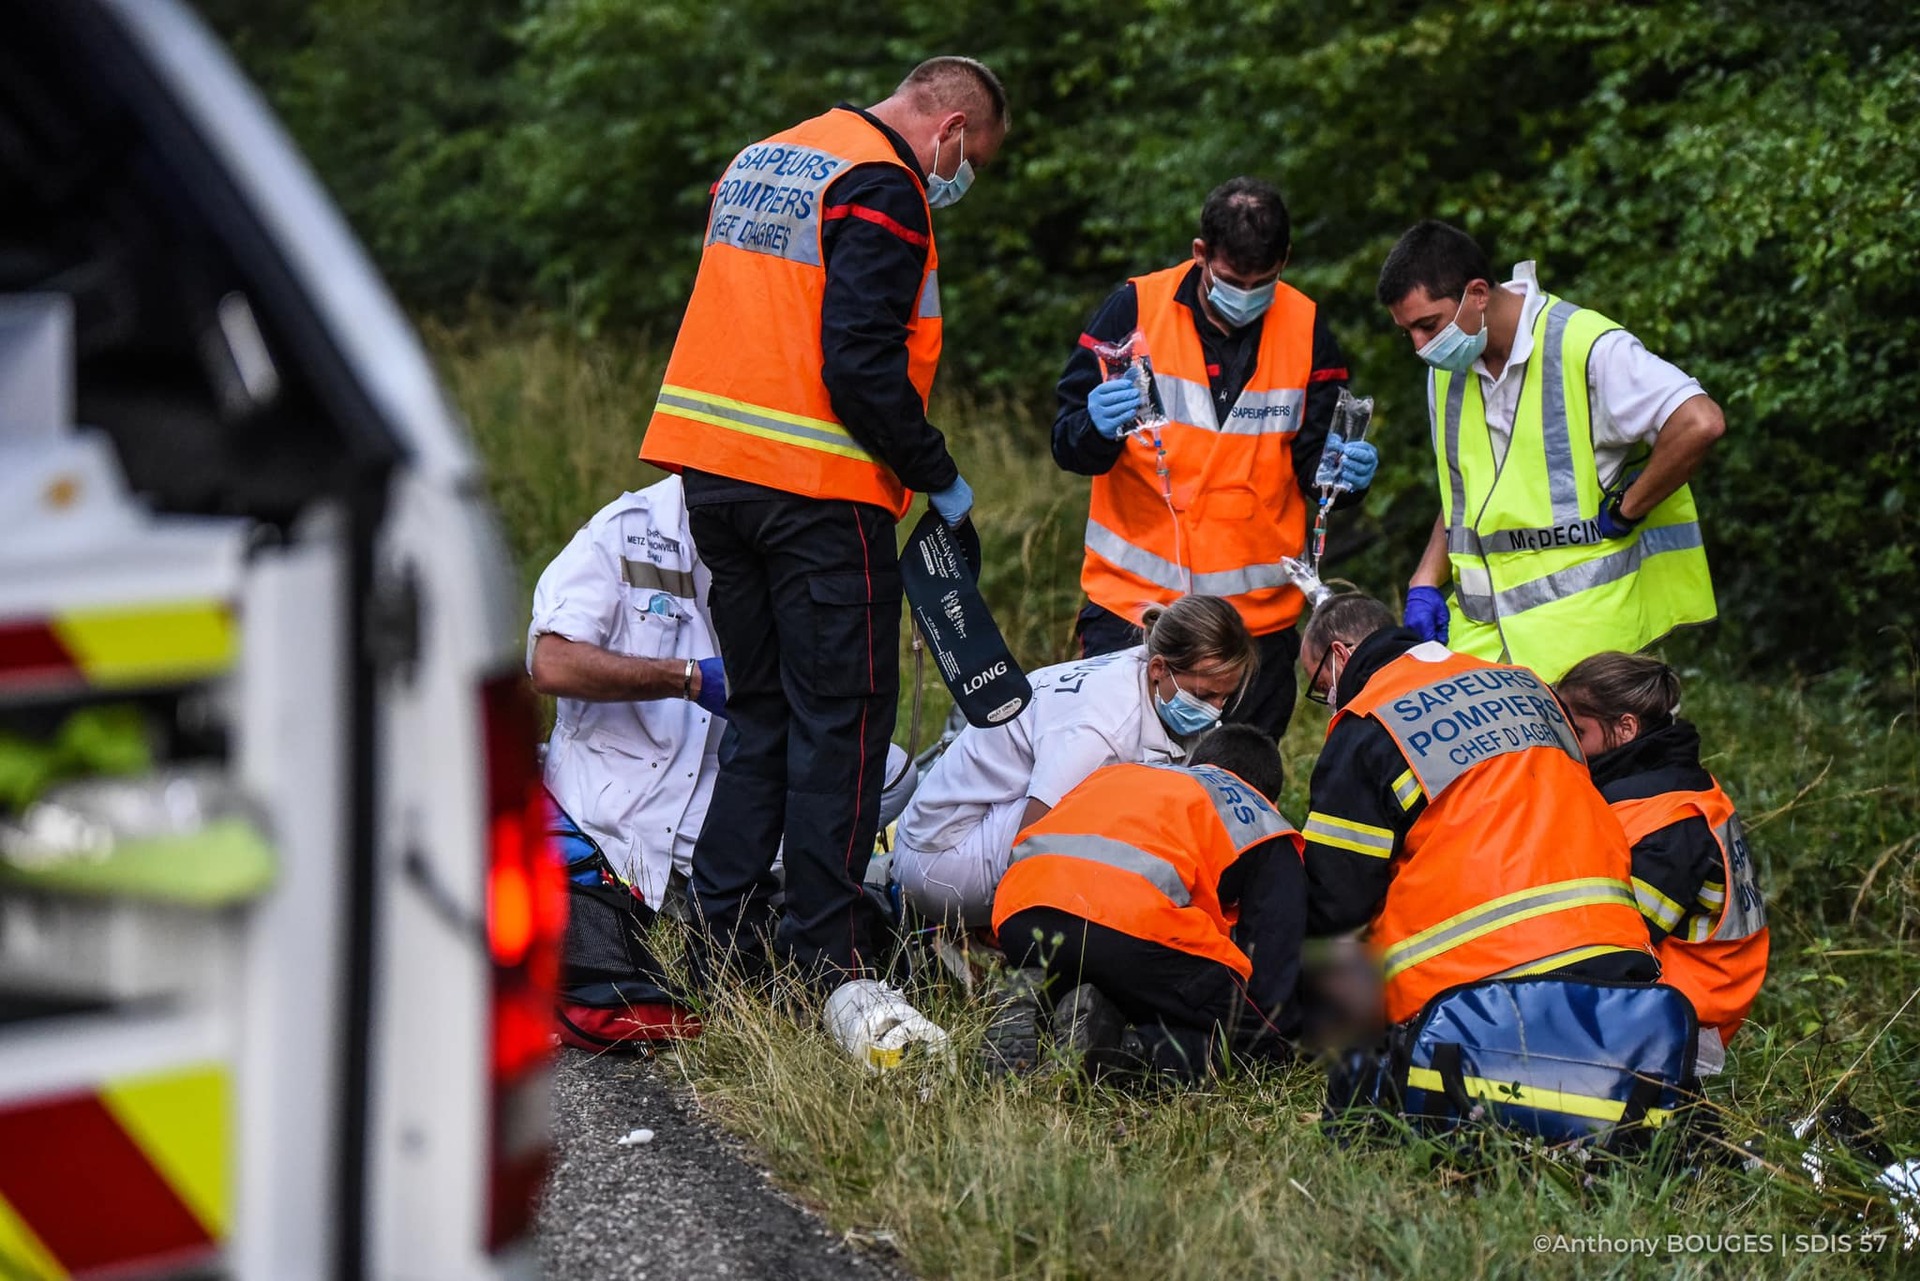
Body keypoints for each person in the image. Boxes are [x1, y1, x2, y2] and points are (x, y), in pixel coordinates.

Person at [637, 58, 1009, 991]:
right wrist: (937, 472)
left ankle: (719, 944)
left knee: (762, 715)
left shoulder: (765, 157)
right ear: (952, 128)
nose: (960, 181)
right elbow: (857, 365)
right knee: (840, 723)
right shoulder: (881, 184)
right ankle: (828, 960)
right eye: (974, 161)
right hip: (817, 488)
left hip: (715, 480)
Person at [1051, 177, 1377, 737]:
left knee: (1235, 794)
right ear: (1201, 254)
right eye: (1231, 280)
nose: (1247, 296)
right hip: (1136, 613)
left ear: (1285, 261)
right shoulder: (1134, 310)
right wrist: (1095, 428)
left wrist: (1347, 479)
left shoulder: (1306, 328)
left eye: (1263, 282)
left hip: (1254, 629)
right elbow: (1068, 443)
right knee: (1114, 782)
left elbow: (1315, 472)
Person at [1377, 220, 1722, 682]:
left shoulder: (1583, 345)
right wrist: (1424, 579)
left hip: (1589, 653)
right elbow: (1468, 497)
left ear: (1478, 293)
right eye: (1408, 333)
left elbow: (1700, 422)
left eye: (1427, 325)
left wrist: (1628, 508)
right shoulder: (1447, 372)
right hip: (1489, 643)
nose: (1420, 347)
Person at [1296, 592, 1655, 1026]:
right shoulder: (1528, 685)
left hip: (1474, 986)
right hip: (1614, 954)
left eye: (1321, 685)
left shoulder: (1367, 724)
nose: (1330, 699)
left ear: (1340, 654)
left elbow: (1336, 896)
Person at [893, 594, 1256, 928]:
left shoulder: (1143, 669)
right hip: (940, 859)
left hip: (965, 826)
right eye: (1203, 695)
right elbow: (1032, 841)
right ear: (1159, 668)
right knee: (1120, 820)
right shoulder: (1102, 729)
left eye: (1225, 698)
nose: (1215, 711)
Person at [985, 724, 1306, 1082]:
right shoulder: (1261, 817)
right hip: (1128, 929)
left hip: (1019, 917)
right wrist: (1277, 1033)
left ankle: (1043, 1007)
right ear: (1270, 798)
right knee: (1262, 1043)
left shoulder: (1123, 772)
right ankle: (1126, 1052)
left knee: (1129, 981)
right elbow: (1274, 953)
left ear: (1197, 762)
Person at [1556, 652, 1769, 1075]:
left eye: (1578, 731)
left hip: (1688, 1019)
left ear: (1626, 727)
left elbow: (1615, 951)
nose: (1568, 745)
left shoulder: (1673, 826)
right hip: (1688, 995)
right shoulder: (1669, 784)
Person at [528, 476, 728, 913]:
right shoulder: (625, 530)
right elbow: (551, 663)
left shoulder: (773, 528)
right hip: (619, 793)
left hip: (724, 778)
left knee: (891, 774)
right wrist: (689, 678)